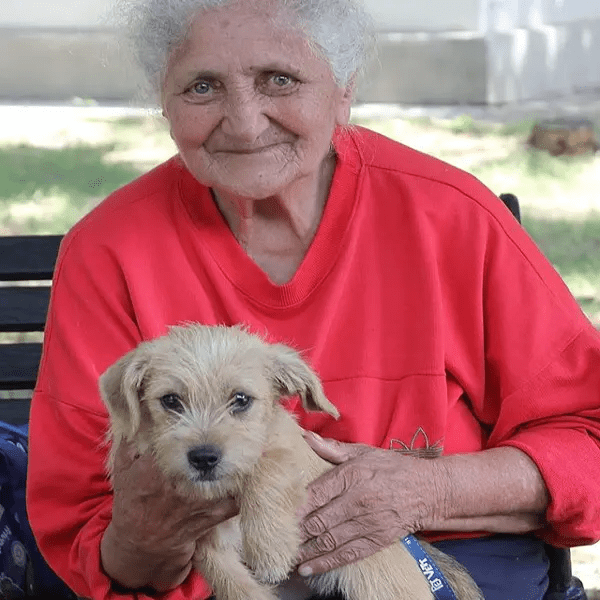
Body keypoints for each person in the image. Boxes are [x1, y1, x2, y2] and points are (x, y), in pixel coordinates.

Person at [25, 0, 600, 598]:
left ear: (343, 88)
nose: (245, 123)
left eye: (280, 79)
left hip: (444, 560)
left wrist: (429, 490)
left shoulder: (449, 217)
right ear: (164, 103)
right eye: (202, 87)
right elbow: (88, 538)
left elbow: (589, 435)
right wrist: (153, 532)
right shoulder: (108, 250)